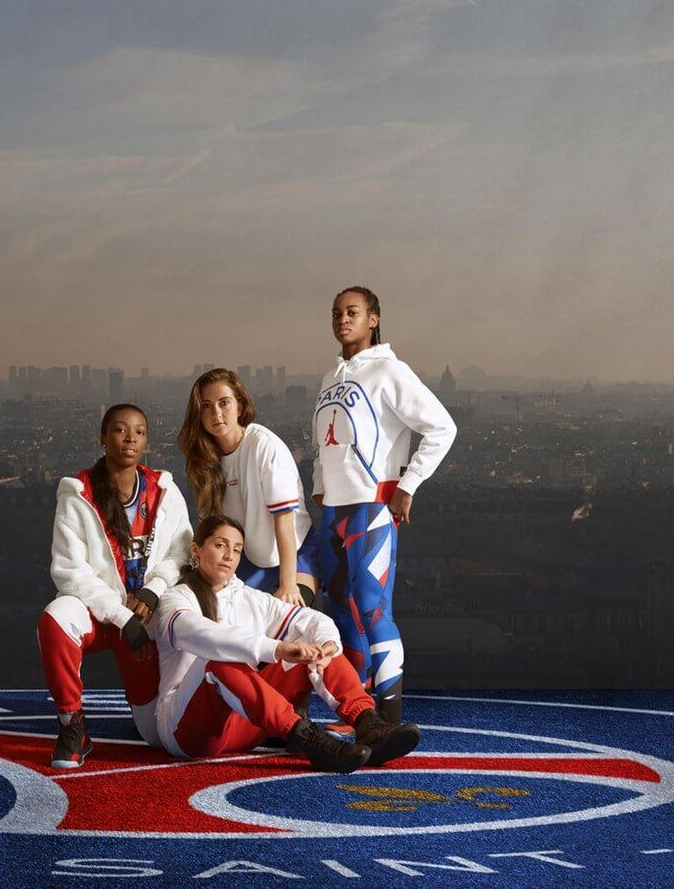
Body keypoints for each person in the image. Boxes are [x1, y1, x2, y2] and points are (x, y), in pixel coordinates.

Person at [152, 515, 420, 772]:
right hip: (188, 732)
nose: (229, 556)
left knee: (311, 642)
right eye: (220, 545)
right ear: (196, 551)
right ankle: (307, 739)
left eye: (236, 549)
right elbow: (204, 636)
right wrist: (276, 648)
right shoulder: (175, 599)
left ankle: (367, 723)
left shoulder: (248, 597)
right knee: (218, 660)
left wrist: (326, 644)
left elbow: (308, 619)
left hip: (245, 725)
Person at [312, 286, 457, 724]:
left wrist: (408, 485)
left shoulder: (390, 371)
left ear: (373, 318)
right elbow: (324, 443)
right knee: (341, 609)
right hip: (334, 512)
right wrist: (320, 485)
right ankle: (359, 708)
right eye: (337, 312)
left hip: (372, 508)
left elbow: (442, 428)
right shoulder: (330, 377)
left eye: (352, 312)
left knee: (373, 608)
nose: (343, 319)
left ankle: (390, 715)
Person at [37, 403, 193, 768]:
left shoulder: (164, 491)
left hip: (146, 617)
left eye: (139, 432)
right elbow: (70, 572)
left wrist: (153, 590)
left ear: (147, 442)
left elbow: (183, 555)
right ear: (103, 439)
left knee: (155, 735)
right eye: (120, 430)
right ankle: (72, 726)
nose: (130, 438)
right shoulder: (78, 494)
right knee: (54, 619)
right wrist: (123, 619)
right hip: (101, 613)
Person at [177, 368, 321, 607]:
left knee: (283, 618)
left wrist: (288, 585)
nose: (216, 413)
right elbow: (212, 527)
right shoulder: (203, 459)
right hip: (249, 558)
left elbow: (284, 521)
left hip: (294, 554)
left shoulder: (263, 446)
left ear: (240, 407)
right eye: (206, 406)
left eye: (224, 403)